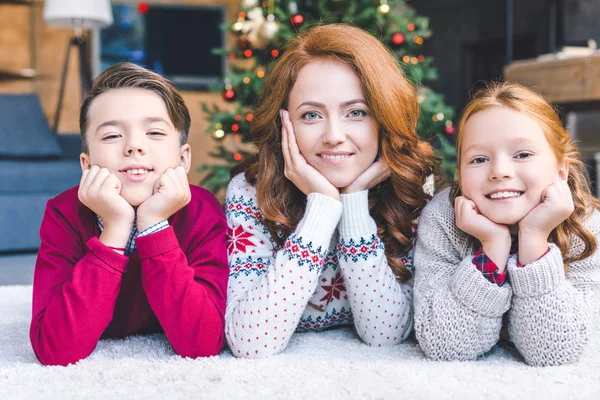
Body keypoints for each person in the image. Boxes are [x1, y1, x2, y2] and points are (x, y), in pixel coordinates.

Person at [224, 23, 438, 358]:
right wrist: (322, 208)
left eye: (356, 112)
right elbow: (251, 342)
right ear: (285, 123)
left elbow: (385, 335)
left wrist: (353, 204)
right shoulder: (252, 192)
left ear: (384, 117)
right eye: (311, 115)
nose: (334, 135)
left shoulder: (411, 187)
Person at [30, 62, 229, 366]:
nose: (134, 146)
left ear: (183, 158)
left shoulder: (202, 212)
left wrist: (154, 226)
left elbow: (202, 343)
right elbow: (55, 350)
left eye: (154, 132)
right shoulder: (63, 214)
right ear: (86, 164)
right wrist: (114, 228)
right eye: (111, 136)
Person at [413, 81, 600, 366]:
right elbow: (445, 345)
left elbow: (555, 351)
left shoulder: (586, 227)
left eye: (522, 155)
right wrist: (492, 248)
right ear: (460, 175)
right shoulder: (442, 219)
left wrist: (535, 238)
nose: (499, 171)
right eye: (479, 159)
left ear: (560, 169)